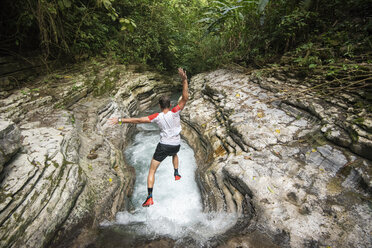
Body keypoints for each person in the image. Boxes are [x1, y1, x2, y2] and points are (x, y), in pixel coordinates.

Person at [108, 68, 189, 207]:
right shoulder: (175, 111)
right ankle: (176, 173)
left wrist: (120, 120)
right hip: (176, 143)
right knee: (175, 153)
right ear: (170, 105)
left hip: (163, 146)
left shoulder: (156, 117)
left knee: (152, 170)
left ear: (159, 106)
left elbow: (138, 120)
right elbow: (185, 97)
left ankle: (150, 197)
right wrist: (184, 80)